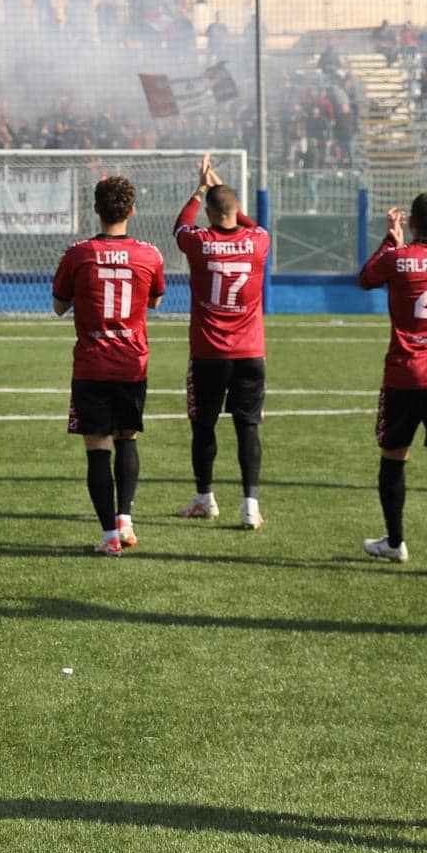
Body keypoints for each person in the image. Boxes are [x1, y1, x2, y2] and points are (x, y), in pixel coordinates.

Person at [357, 193, 427, 576]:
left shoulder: (397, 258)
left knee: (394, 456)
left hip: (404, 376)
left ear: (412, 223)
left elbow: (367, 277)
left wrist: (391, 239)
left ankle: (395, 542)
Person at [52, 177, 166, 556]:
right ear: (132, 210)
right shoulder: (149, 254)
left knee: (97, 447)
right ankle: (125, 520)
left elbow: (58, 304)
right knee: (127, 437)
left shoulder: (78, 253)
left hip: (92, 365)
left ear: (95, 209)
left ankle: (108, 538)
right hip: (132, 364)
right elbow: (155, 301)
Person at [172, 154, 271, 530]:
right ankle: (250, 506)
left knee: (204, 426)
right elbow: (251, 224)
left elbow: (180, 227)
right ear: (236, 210)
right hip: (249, 353)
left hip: (208, 353)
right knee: (248, 428)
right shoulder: (259, 241)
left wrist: (200, 190)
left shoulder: (199, 242)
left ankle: (206, 498)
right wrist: (230, 201)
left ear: (210, 214)